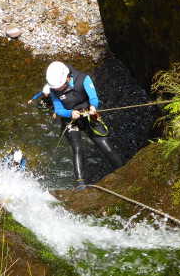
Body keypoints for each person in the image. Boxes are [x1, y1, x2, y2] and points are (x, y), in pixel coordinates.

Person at [45, 61, 123, 189]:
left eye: (58, 86)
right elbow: (58, 109)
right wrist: (70, 113)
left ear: (67, 77)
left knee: (104, 144)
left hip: (88, 114)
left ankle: (121, 169)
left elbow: (93, 97)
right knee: (77, 148)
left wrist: (93, 107)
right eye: (55, 87)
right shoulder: (54, 90)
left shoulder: (83, 79)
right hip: (71, 118)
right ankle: (80, 183)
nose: (56, 89)